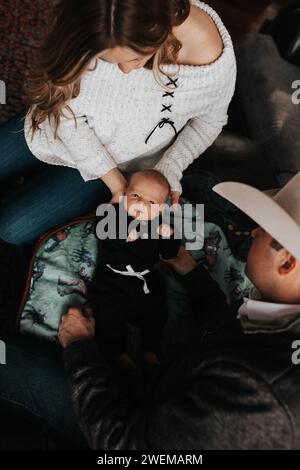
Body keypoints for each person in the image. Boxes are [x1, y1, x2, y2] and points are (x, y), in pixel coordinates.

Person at [56, 172, 300, 449]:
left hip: (122, 421)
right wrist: (189, 269)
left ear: (287, 263)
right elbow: (224, 327)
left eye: (264, 230)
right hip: (160, 378)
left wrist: (79, 347)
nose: (254, 231)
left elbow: (125, 446)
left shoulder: (261, 391)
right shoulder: (273, 310)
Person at [0, 0, 236, 245]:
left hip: (116, 168)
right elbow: (67, 113)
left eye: (134, 59)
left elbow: (210, 122)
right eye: (107, 60)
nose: (124, 70)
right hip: (56, 128)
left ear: (160, 32)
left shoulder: (212, 65)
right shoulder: (96, 19)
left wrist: (168, 169)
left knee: (11, 229)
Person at [82, 170, 181, 370]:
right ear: (126, 193)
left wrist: (169, 235)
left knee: (157, 308)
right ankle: (116, 351)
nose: (141, 204)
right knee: (107, 313)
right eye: (136, 196)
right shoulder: (115, 213)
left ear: (161, 209)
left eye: (151, 203)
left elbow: (169, 254)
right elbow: (100, 230)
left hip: (143, 280)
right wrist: (123, 233)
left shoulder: (158, 225)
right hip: (112, 277)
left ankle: (151, 348)